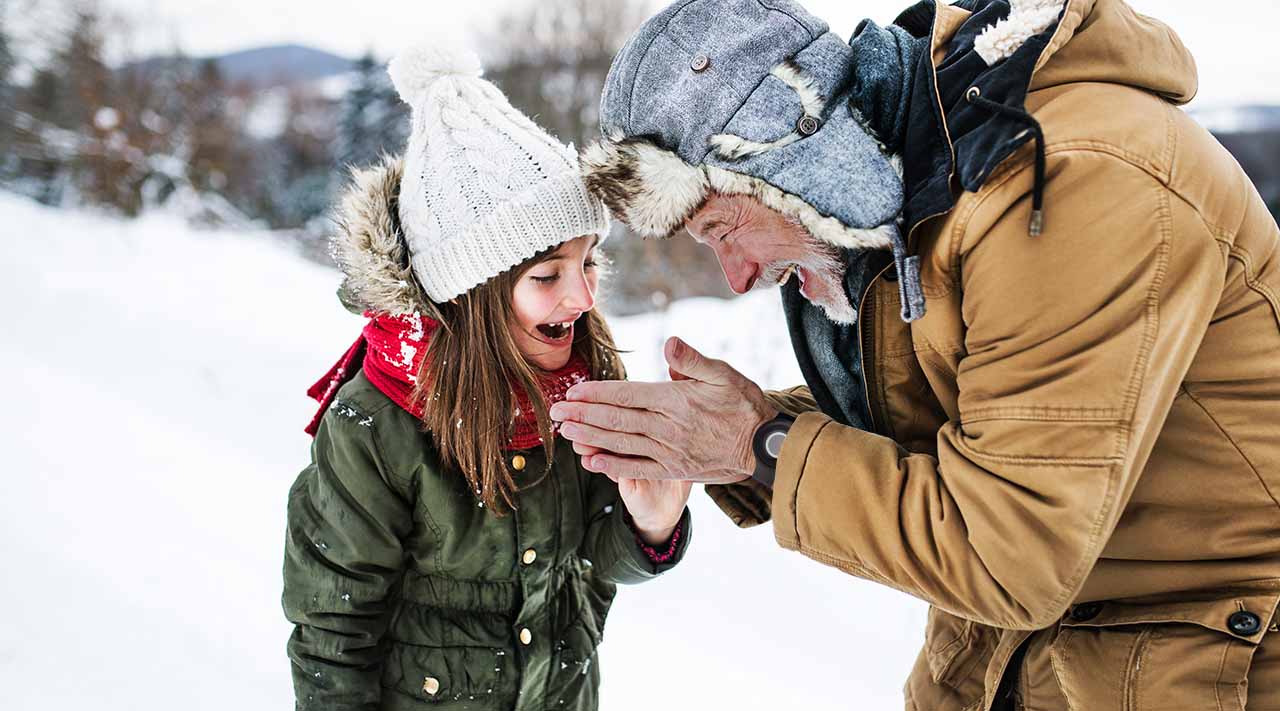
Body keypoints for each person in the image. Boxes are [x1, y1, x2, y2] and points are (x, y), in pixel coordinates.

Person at [552, 0, 1280, 708]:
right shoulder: (929, 182)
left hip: (1202, 658)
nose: (738, 275)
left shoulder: (1061, 185)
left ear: (790, 160)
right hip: (1030, 653)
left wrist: (759, 443)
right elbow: (953, 418)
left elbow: (1008, 551)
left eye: (721, 226)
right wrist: (741, 430)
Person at [282, 45, 692, 711]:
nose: (583, 296)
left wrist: (647, 528)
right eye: (547, 275)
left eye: (589, 262)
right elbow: (333, 635)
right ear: (470, 292)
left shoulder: (588, 377)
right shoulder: (377, 422)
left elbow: (591, 565)